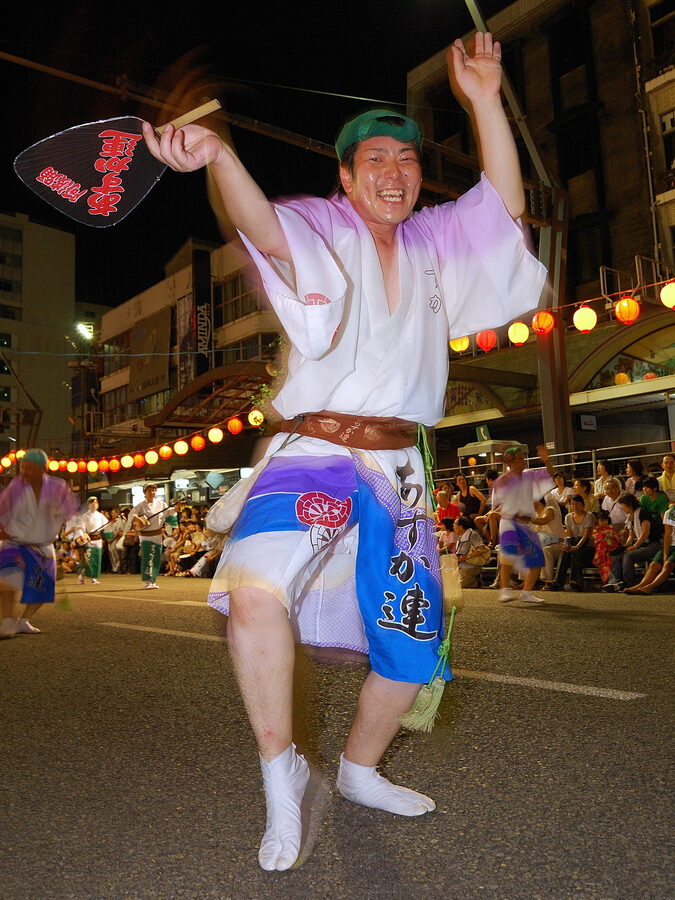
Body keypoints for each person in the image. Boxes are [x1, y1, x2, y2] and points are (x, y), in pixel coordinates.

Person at [143, 31, 547, 872]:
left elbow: (504, 211)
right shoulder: (322, 225)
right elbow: (265, 228)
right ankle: (280, 775)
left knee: (410, 646)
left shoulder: (436, 239)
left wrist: (482, 100)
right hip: (312, 453)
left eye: (406, 159)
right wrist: (219, 156)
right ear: (347, 176)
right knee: (254, 595)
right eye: (374, 160)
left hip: (399, 471)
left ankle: (360, 771)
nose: (394, 172)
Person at [0, 449, 79, 636]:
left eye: (29, 468)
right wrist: (3, 527)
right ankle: (7, 622)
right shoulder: (16, 486)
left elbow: (70, 509)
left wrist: (59, 511)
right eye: (23, 467)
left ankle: (23, 621)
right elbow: (2, 507)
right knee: (6, 582)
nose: (24, 472)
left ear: (43, 469)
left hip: (42, 545)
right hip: (15, 543)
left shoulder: (57, 486)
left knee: (43, 588)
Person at [492, 444, 554, 604]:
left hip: (526, 523)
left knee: (537, 557)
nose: (523, 460)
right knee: (508, 554)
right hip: (509, 522)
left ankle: (526, 593)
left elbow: (550, 473)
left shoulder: (529, 475)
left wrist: (546, 460)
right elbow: (499, 496)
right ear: (511, 462)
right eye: (519, 458)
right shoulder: (504, 480)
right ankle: (504, 591)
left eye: (523, 457)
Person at [123, 484, 181, 588]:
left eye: (154, 490)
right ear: (145, 493)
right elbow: (132, 514)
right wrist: (137, 518)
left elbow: (169, 512)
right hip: (145, 536)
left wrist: (176, 508)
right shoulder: (141, 505)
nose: (152, 493)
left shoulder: (161, 504)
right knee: (147, 557)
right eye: (149, 490)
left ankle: (153, 580)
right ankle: (146, 581)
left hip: (157, 534)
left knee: (156, 558)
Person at [605, 492, 661, 591]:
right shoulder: (630, 516)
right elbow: (631, 536)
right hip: (640, 544)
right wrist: (625, 547)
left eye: (623, 506)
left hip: (651, 545)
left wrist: (635, 546)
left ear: (629, 505)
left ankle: (629, 583)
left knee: (629, 556)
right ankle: (615, 581)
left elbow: (645, 533)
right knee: (617, 555)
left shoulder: (642, 513)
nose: (622, 508)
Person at [624, 504, 675, 594]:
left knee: (668, 565)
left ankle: (650, 587)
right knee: (654, 565)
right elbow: (668, 534)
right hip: (670, 545)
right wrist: (665, 553)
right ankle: (639, 586)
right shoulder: (670, 512)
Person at [553, 495, 596, 591]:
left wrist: (576, 547)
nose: (575, 506)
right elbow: (568, 534)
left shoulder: (589, 516)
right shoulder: (568, 517)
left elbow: (586, 535)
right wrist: (567, 545)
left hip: (587, 546)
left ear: (582, 504)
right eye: (572, 504)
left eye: (577, 504)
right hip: (573, 543)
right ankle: (558, 582)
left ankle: (576, 581)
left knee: (576, 552)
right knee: (564, 552)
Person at [531, 495, 564, 588]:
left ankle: (547, 581)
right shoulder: (535, 515)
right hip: (544, 544)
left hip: (557, 545)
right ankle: (527, 581)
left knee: (545, 550)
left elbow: (544, 520)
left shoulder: (550, 510)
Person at [75, 497, 108, 584]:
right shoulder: (84, 516)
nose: (94, 505)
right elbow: (80, 528)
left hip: (98, 541)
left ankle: (93, 577)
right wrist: (82, 535)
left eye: (96, 503)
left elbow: (106, 527)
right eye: (92, 503)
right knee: (87, 560)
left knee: (96, 559)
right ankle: (82, 575)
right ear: (88, 505)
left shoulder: (101, 516)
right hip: (88, 540)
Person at [453, 516, 488, 587]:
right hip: (461, 566)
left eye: (454, 525)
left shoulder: (473, 535)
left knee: (458, 586)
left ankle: (475, 581)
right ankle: (475, 581)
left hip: (471, 566)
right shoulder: (460, 537)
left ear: (461, 527)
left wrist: (467, 557)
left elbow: (481, 549)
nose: (453, 527)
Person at [591, 509, 622, 586]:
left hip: (612, 549)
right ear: (598, 520)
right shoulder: (596, 529)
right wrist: (603, 534)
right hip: (601, 552)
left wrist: (612, 537)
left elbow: (618, 539)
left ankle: (613, 581)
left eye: (605, 520)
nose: (604, 522)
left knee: (611, 561)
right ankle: (611, 581)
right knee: (603, 545)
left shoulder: (611, 528)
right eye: (602, 520)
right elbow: (596, 539)